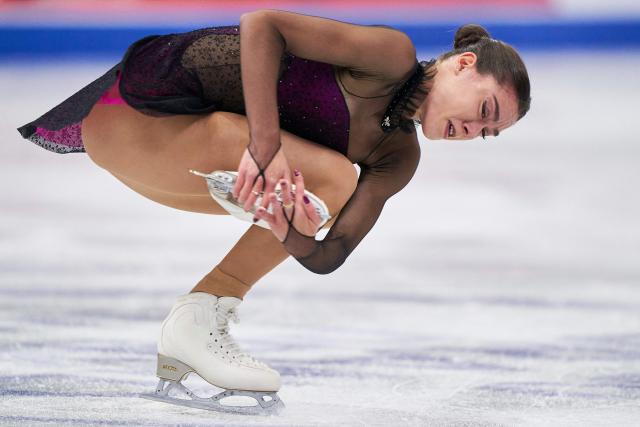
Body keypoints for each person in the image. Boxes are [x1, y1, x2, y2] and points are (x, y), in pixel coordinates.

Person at [16, 10, 531, 414]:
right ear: (463, 65)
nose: (474, 130)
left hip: (171, 160)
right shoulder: (389, 55)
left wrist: (289, 229)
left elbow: (330, 255)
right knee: (331, 178)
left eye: (488, 133)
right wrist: (265, 147)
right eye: (484, 111)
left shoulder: (398, 156)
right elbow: (263, 25)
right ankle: (249, 187)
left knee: (322, 192)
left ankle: (199, 317)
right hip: (133, 113)